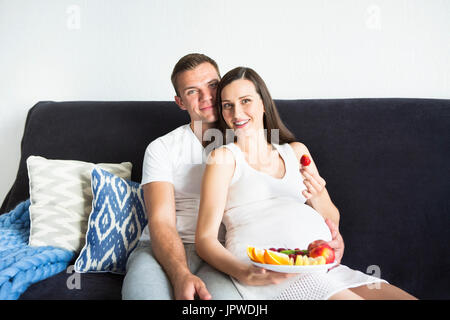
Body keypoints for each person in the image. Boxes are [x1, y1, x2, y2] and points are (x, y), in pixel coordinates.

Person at [122, 54, 344, 300]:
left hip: (223, 253)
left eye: (213, 86)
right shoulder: (163, 148)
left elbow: (289, 206)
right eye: (193, 91)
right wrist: (180, 274)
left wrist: (328, 240)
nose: (207, 97)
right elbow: (161, 221)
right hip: (164, 251)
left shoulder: (247, 138)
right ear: (180, 102)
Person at [195, 66, 417, 300]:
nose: (237, 113)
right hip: (273, 273)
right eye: (227, 105)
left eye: (245, 101)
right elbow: (205, 240)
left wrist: (319, 195)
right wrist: (244, 273)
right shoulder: (224, 158)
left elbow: (333, 218)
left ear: (263, 103)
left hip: (319, 264)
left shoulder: (296, 152)